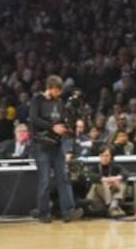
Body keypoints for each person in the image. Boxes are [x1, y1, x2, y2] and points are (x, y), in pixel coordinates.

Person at [28, 76, 81, 223]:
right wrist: (52, 127)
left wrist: (68, 126)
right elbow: (34, 119)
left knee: (63, 178)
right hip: (41, 145)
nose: (59, 93)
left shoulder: (60, 102)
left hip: (57, 145)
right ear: (50, 87)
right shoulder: (37, 100)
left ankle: (68, 211)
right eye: (57, 90)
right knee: (44, 180)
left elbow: (62, 120)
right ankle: (44, 213)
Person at [85, 146, 127, 218]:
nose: (104, 158)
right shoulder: (94, 167)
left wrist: (116, 179)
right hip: (99, 202)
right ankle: (112, 206)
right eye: (102, 155)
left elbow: (125, 173)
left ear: (111, 157)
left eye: (107, 155)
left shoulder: (116, 166)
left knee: (122, 183)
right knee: (101, 184)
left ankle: (113, 206)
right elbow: (91, 176)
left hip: (113, 195)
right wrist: (107, 180)